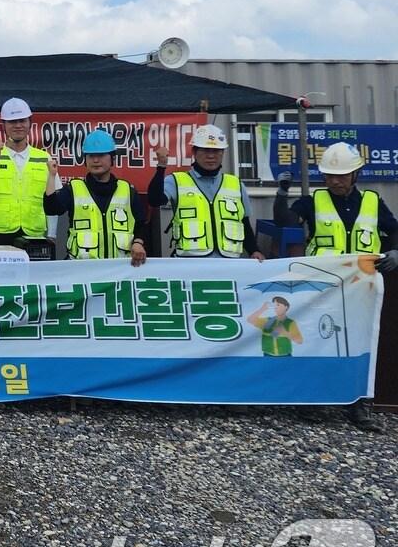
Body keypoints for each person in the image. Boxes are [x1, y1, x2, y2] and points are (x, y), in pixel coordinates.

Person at [288, 141, 398, 432]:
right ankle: (313, 400)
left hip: (361, 287)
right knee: (318, 340)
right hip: (323, 288)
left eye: (342, 175)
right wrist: (281, 195)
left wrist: (395, 251)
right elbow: (284, 218)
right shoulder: (312, 201)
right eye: (330, 175)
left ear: (355, 174)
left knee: (361, 344)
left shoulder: (373, 202)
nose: (336, 181)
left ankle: (358, 404)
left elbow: (394, 229)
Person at [149, 125, 265, 261]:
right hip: (190, 263)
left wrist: (254, 250)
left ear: (223, 153)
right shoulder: (176, 181)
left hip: (228, 263)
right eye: (205, 150)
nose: (211, 156)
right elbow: (155, 200)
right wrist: (161, 167)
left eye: (216, 151)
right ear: (194, 152)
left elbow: (244, 223)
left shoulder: (236, 185)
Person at [42, 129, 147, 265]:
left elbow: (141, 224)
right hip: (83, 272)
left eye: (101, 155)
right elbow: (51, 208)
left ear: (112, 159)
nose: (96, 160)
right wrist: (51, 176)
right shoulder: (74, 189)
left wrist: (138, 243)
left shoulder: (127, 191)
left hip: (120, 271)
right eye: (91, 156)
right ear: (85, 160)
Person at [0, 98, 59, 253]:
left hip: (34, 233)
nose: (18, 126)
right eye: (12, 122)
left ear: (30, 123)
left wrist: (52, 234)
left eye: (22, 121)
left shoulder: (44, 158)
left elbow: (52, 199)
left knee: (33, 277)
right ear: (4, 126)